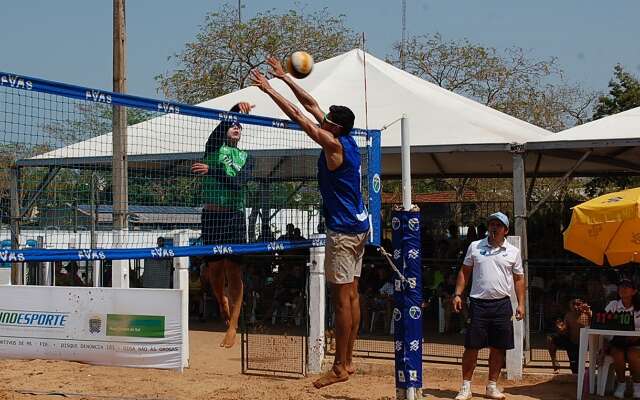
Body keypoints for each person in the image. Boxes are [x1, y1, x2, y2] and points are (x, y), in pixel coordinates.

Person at [251, 57, 370, 389]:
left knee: (342, 298)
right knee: (353, 294)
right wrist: (286, 77)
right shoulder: (346, 138)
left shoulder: (332, 144)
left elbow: (299, 116)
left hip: (344, 232)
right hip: (359, 228)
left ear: (335, 127)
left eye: (329, 119)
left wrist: (268, 89)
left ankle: (340, 366)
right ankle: (348, 360)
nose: (325, 118)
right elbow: (312, 105)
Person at [192, 101, 254, 348]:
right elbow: (221, 126)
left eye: (240, 126)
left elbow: (238, 184)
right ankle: (221, 301)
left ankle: (233, 325)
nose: (237, 127)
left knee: (234, 271)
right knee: (214, 271)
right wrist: (235, 110)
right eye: (233, 126)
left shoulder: (248, 158)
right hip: (212, 216)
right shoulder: (213, 148)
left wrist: (212, 171)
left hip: (235, 217)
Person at [452, 212, 525, 400]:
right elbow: (465, 271)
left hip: (502, 305)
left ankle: (491, 386)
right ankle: (466, 386)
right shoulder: (475, 246)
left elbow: (518, 279)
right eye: (491, 224)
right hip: (478, 304)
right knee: (471, 347)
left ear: (505, 230)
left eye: (498, 225)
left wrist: (521, 304)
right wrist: (458, 294)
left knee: (498, 347)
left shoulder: (513, 252)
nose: (494, 228)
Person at [603, 278, 640, 399]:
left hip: (636, 343)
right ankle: (621, 384)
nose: (623, 288)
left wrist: (636, 336)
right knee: (618, 355)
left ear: (634, 291)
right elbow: (602, 323)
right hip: (616, 342)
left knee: (633, 355)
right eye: (621, 286)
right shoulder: (612, 305)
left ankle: (637, 385)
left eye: (627, 286)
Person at [547, 299, 591, 374]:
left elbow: (592, 323)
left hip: (584, 345)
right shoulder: (568, 315)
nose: (575, 307)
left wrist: (588, 312)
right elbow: (564, 331)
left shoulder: (587, 315)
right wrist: (560, 328)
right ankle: (555, 363)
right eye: (573, 304)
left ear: (582, 305)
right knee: (550, 339)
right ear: (570, 306)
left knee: (577, 370)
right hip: (572, 344)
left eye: (578, 304)